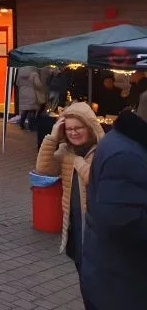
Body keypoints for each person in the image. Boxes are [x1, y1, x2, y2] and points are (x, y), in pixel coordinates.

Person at [80, 91, 147, 310]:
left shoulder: (128, 143)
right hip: (121, 286)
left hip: (114, 277)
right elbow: (122, 222)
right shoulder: (126, 155)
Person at [35, 103, 104, 273]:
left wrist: (78, 162)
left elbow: (94, 179)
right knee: (80, 266)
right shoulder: (66, 150)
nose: (73, 132)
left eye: (78, 128)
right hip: (75, 221)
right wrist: (52, 138)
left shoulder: (103, 150)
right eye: (69, 129)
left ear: (89, 127)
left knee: (96, 271)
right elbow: (44, 168)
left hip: (96, 225)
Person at [16, 66, 44, 131]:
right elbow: (38, 84)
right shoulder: (34, 73)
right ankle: (31, 126)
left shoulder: (20, 72)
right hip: (31, 93)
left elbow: (17, 83)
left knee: (25, 110)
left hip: (22, 92)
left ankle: (21, 124)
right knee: (32, 110)